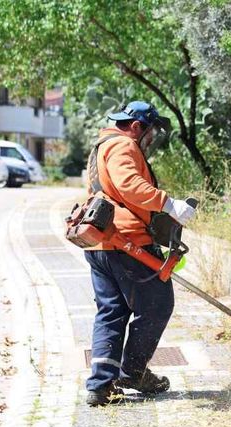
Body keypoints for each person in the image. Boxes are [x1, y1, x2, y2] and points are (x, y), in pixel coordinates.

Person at [84, 101, 196, 406]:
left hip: (101, 243)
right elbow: (128, 184)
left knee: (112, 312)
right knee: (158, 303)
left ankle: (101, 385)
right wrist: (169, 203)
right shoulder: (123, 145)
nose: (149, 140)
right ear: (137, 126)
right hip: (127, 242)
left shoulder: (101, 147)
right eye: (149, 132)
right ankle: (132, 372)